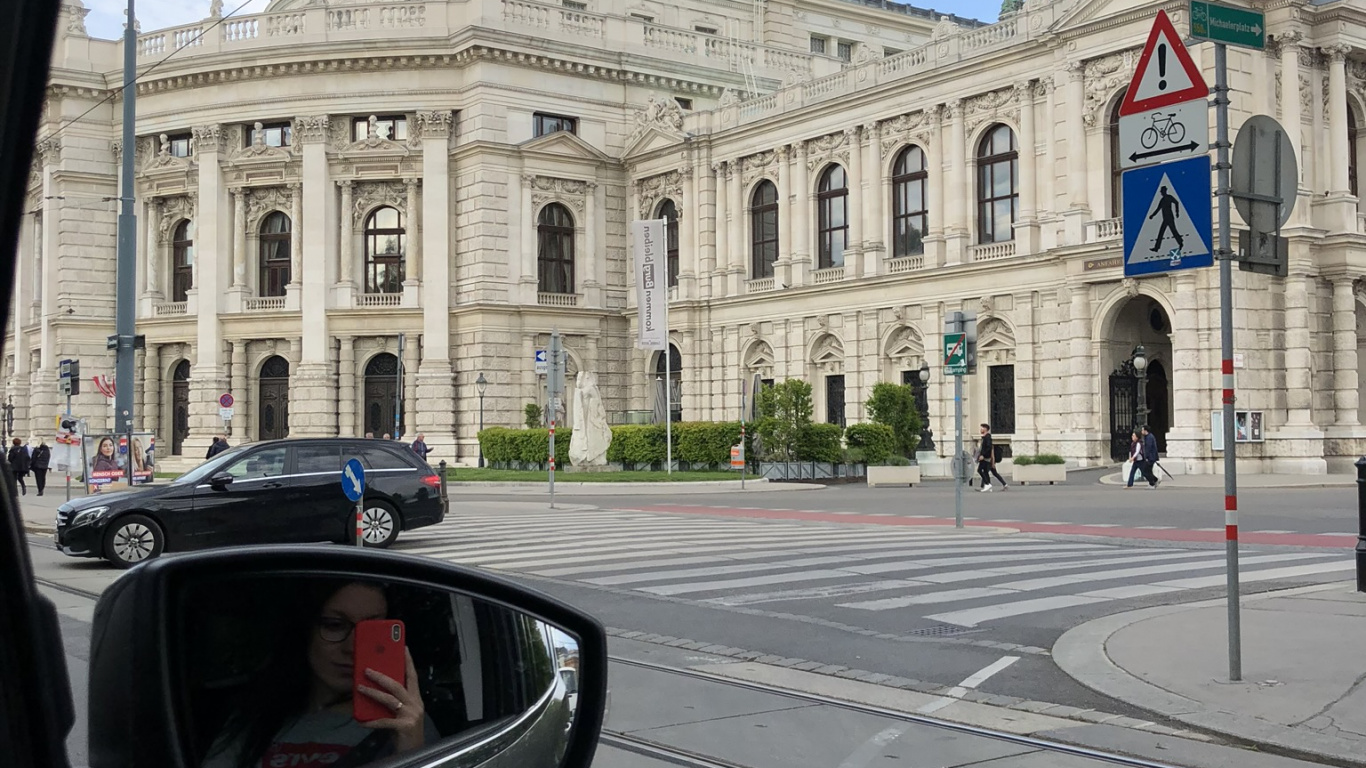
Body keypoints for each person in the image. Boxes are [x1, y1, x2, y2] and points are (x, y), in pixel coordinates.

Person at [202, 581, 436, 768]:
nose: (352, 648)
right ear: (304, 632)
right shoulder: (254, 717)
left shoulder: (407, 722)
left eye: (370, 634)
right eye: (334, 625)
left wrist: (412, 753)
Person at [976, 424, 1007, 492]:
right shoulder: (985, 438)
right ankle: (987, 485)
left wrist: (983, 455)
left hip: (986, 458)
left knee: (981, 470)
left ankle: (987, 484)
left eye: (982, 428)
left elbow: (989, 448)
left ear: (985, 429)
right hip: (984, 458)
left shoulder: (987, 437)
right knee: (985, 471)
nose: (980, 429)